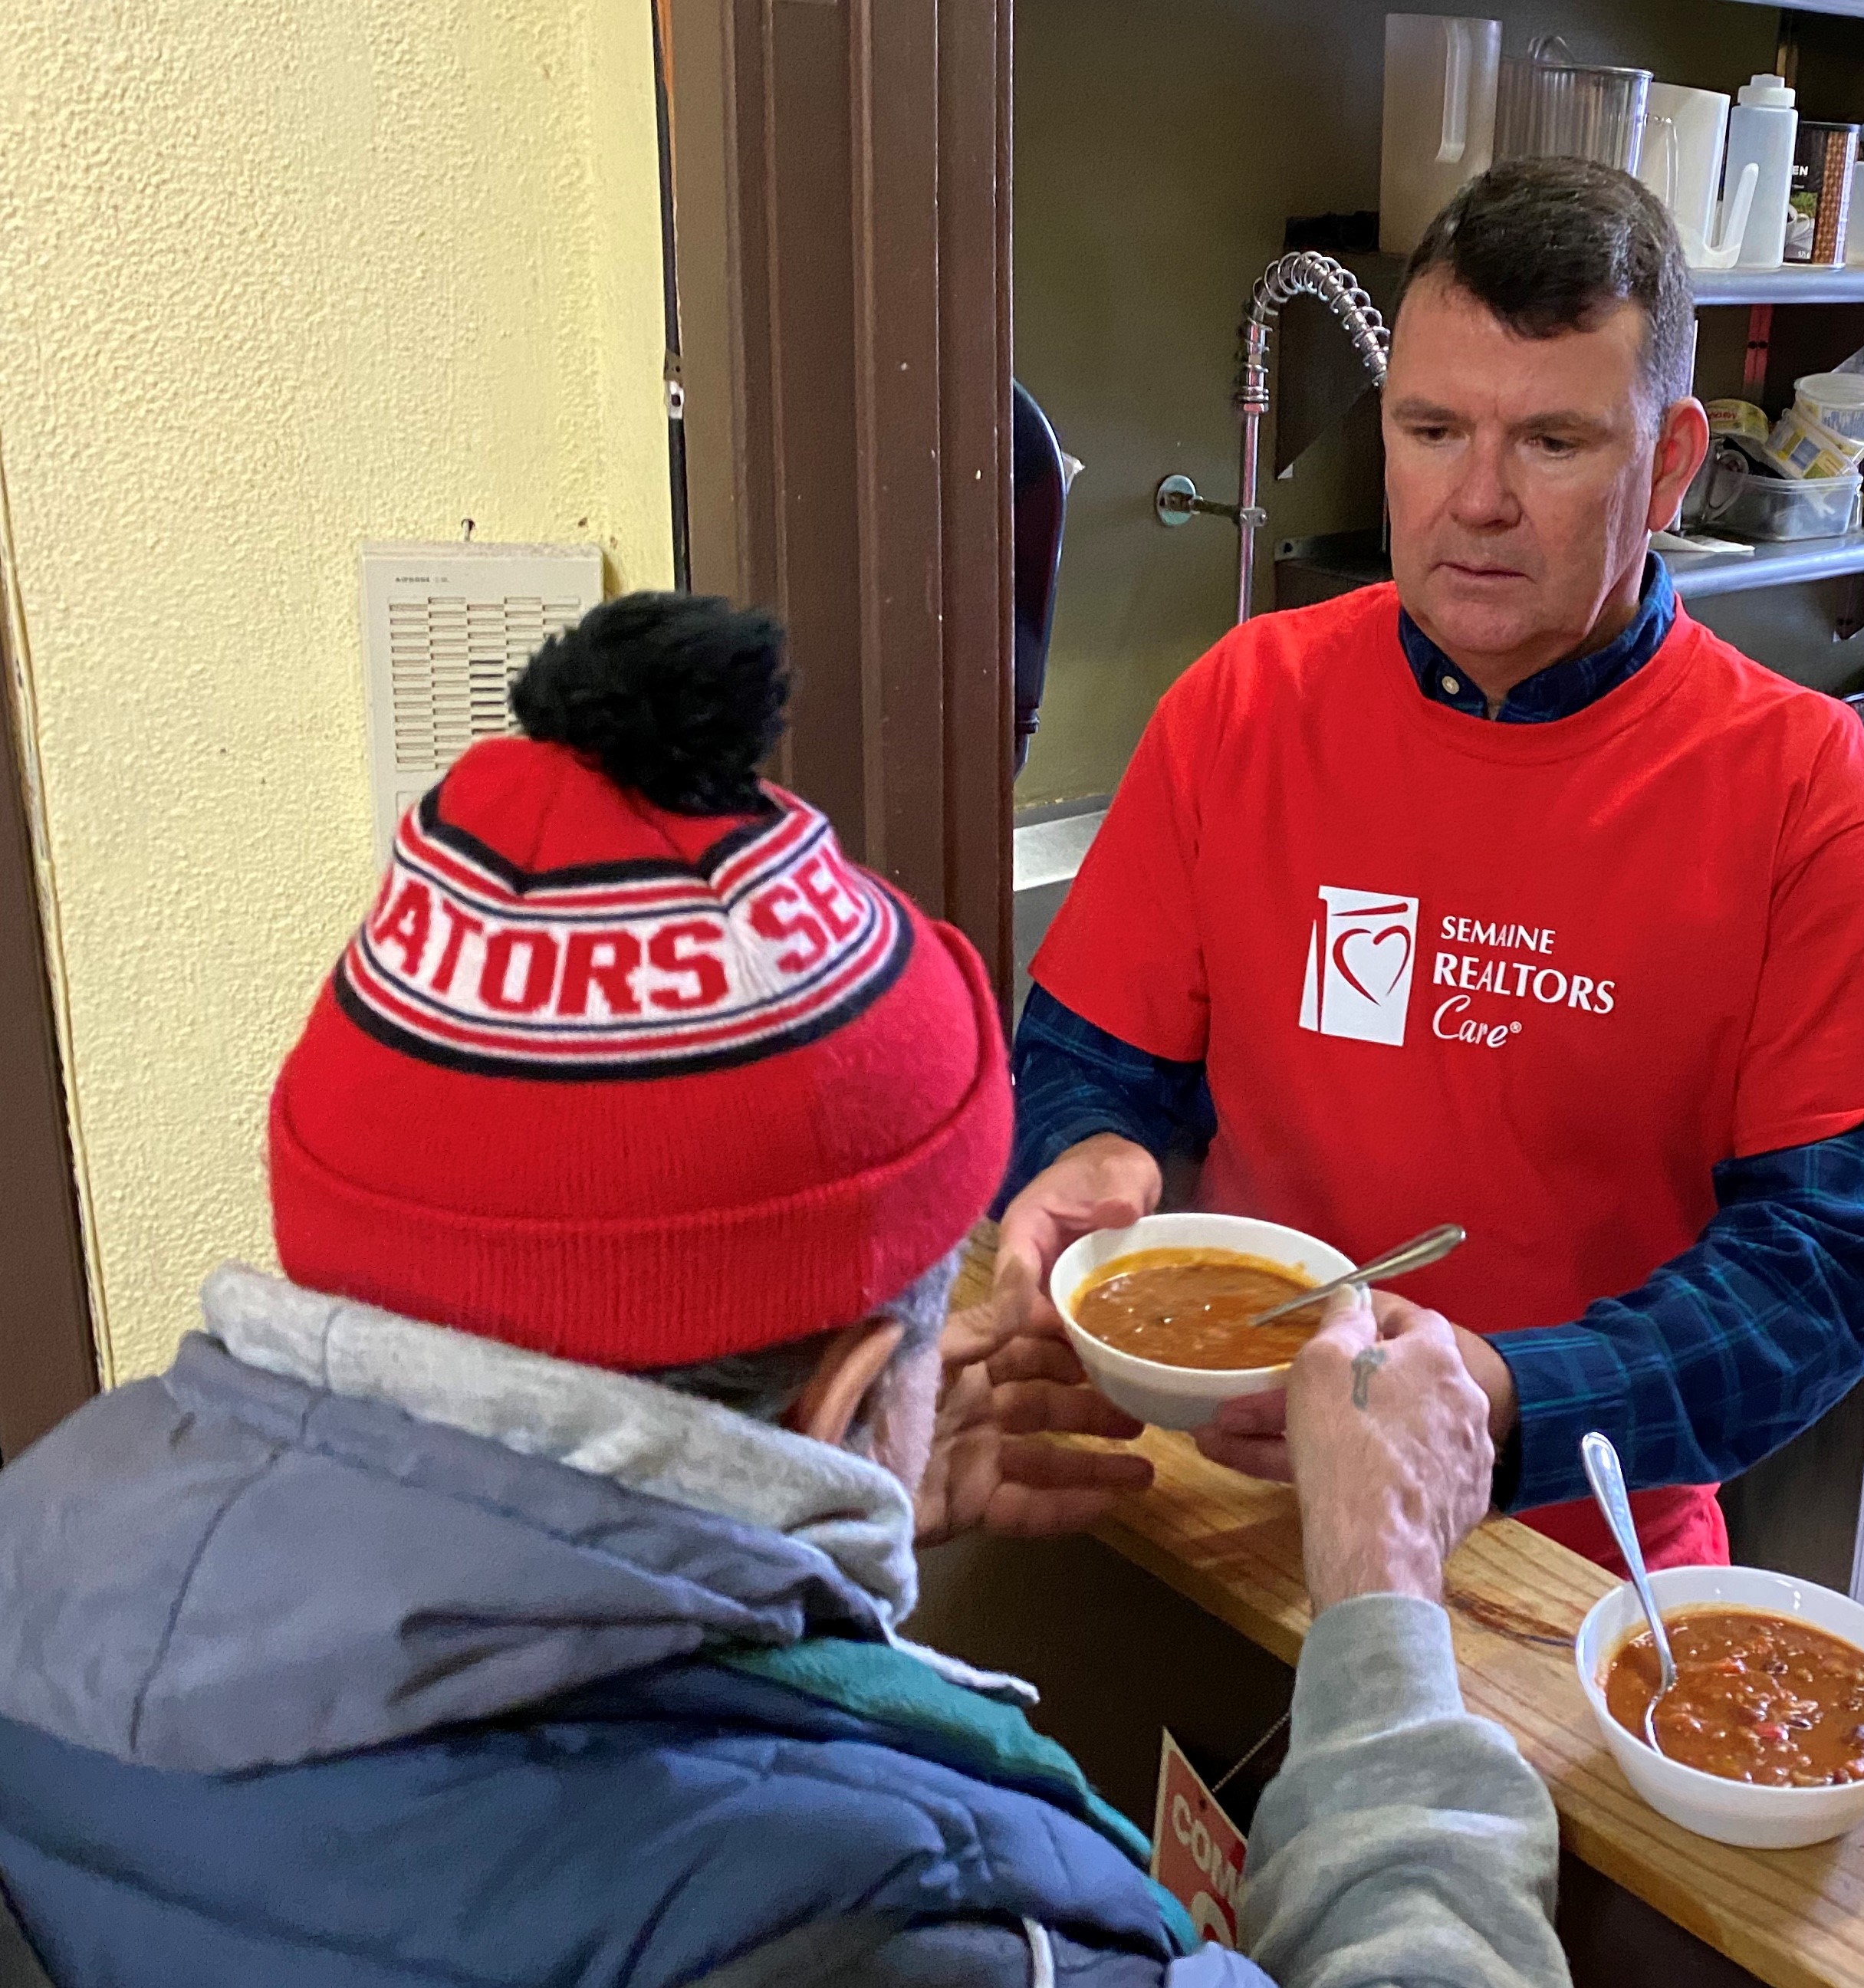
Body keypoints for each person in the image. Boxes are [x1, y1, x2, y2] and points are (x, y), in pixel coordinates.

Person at [0, 597, 1570, 1988]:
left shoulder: (47, 1532)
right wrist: (1378, 1600)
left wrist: (780, 1547)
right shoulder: (902, 1916)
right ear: (834, 1395)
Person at [996, 157, 1864, 1574]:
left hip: (1573, 1545)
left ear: (1671, 459)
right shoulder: (1243, 701)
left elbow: (1830, 1255)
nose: (1477, 500)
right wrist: (1088, 1151)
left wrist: (1505, 1405)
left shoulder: (1799, 787)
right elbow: (1095, 1059)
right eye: (1432, 429)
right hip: (1237, 1509)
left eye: (1553, 443)